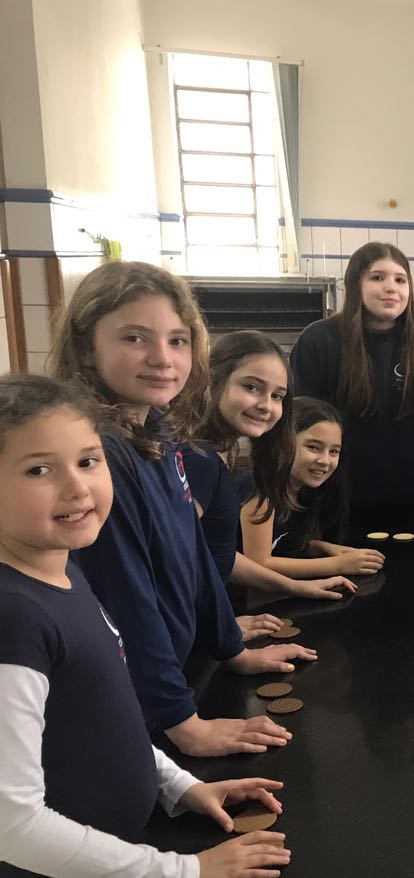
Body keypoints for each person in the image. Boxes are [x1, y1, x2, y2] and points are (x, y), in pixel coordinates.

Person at [0, 374, 291, 878]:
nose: (76, 487)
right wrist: (184, 875)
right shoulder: (14, 618)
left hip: (114, 862)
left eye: (88, 461)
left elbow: (105, 718)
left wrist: (178, 786)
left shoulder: (62, 566)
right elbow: (14, 825)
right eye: (39, 469)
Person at [49, 261, 312, 758]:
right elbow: (126, 595)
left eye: (177, 340)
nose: (162, 358)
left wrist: (231, 648)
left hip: (166, 675)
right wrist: (183, 722)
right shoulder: (98, 453)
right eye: (135, 338)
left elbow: (195, 556)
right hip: (124, 701)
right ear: (85, 348)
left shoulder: (157, 433)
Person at [290, 242, 414, 531]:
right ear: (355, 284)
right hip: (332, 507)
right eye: (377, 277)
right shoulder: (319, 340)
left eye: (400, 280)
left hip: (412, 505)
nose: (391, 288)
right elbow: (301, 429)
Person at [186, 331, 356, 600]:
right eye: (251, 387)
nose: (266, 405)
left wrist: (298, 586)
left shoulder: (220, 454)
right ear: (214, 379)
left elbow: (218, 554)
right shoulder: (199, 458)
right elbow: (172, 555)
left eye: (277, 395)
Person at [241, 398, 386, 579]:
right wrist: (338, 564)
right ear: (283, 442)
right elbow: (258, 563)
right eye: (313, 447)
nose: (325, 461)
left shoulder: (302, 489)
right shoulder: (259, 488)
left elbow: (281, 544)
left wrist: (320, 548)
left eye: (334, 451)